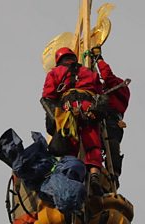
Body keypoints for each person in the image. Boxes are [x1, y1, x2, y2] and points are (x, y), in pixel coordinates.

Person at [41, 47, 107, 196]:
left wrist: (55, 119)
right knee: (93, 144)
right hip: (88, 108)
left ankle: (71, 177)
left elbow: (47, 97)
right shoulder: (90, 73)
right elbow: (101, 95)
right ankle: (95, 174)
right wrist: (96, 111)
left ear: (59, 60)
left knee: (69, 146)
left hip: (68, 111)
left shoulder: (55, 73)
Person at [91, 46, 130, 188]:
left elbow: (107, 75)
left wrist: (99, 59)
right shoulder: (115, 92)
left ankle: (108, 176)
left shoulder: (118, 86)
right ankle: (111, 176)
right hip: (111, 122)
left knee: (101, 145)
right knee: (109, 147)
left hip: (109, 121)